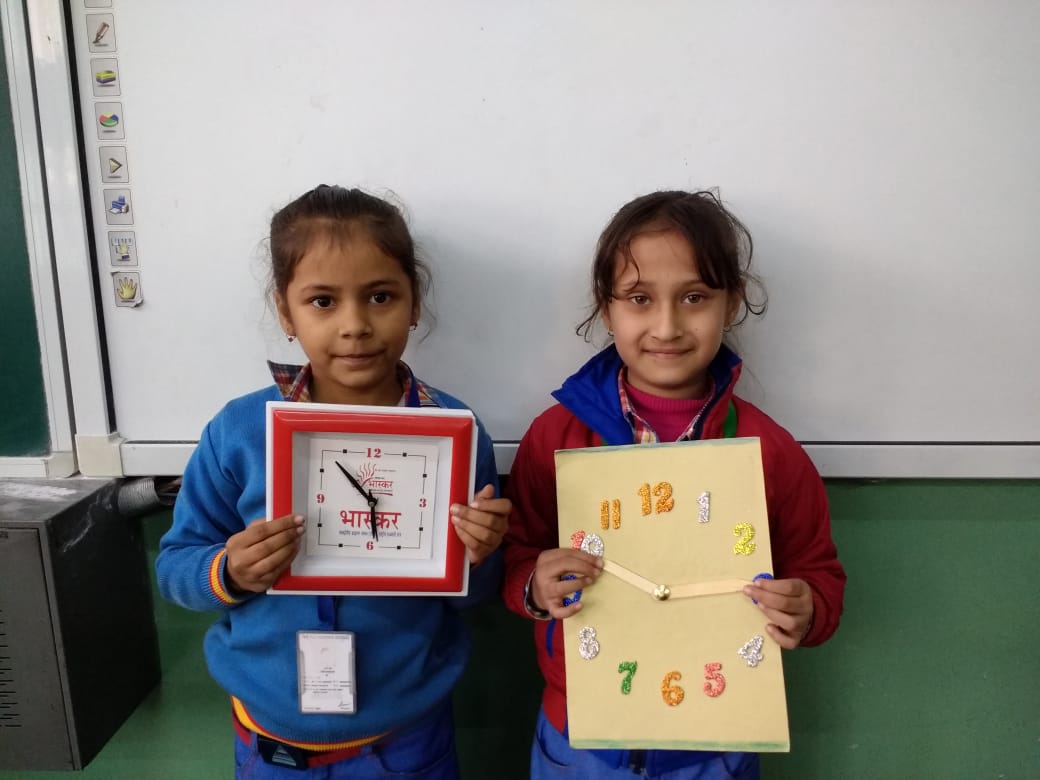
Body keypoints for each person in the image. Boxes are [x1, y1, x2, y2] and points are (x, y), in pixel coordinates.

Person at [156, 184, 510, 779]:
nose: (355, 326)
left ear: (414, 302)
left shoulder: (452, 432)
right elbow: (175, 568)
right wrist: (228, 571)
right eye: (322, 300)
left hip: (405, 743)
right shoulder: (240, 432)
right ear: (284, 311)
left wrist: (479, 555)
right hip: (271, 745)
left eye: (380, 296)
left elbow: (474, 595)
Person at [502, 190, 846, 779]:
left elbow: (820, 574)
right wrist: (534, 585)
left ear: (731, 303)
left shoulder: (769, 452)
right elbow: (515, 557)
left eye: (694, 297)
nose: (667, 325)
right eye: (639, 299)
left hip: (716, 745)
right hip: (582, 740)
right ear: (606, 309)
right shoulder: (555, 437)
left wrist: (807, 609)